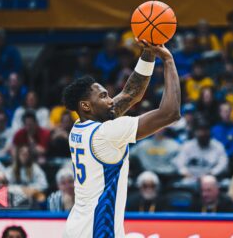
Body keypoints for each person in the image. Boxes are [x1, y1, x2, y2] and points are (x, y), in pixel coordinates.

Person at [62, 40, 180, 237]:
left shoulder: (79, 128)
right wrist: (167, 60)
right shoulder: (106, 134)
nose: (111, 100)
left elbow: (130, 94)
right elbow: (170, 113)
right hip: (96, 230)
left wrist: (148, 52)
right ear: (86, 106)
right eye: (103, 96)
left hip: (77, 226)